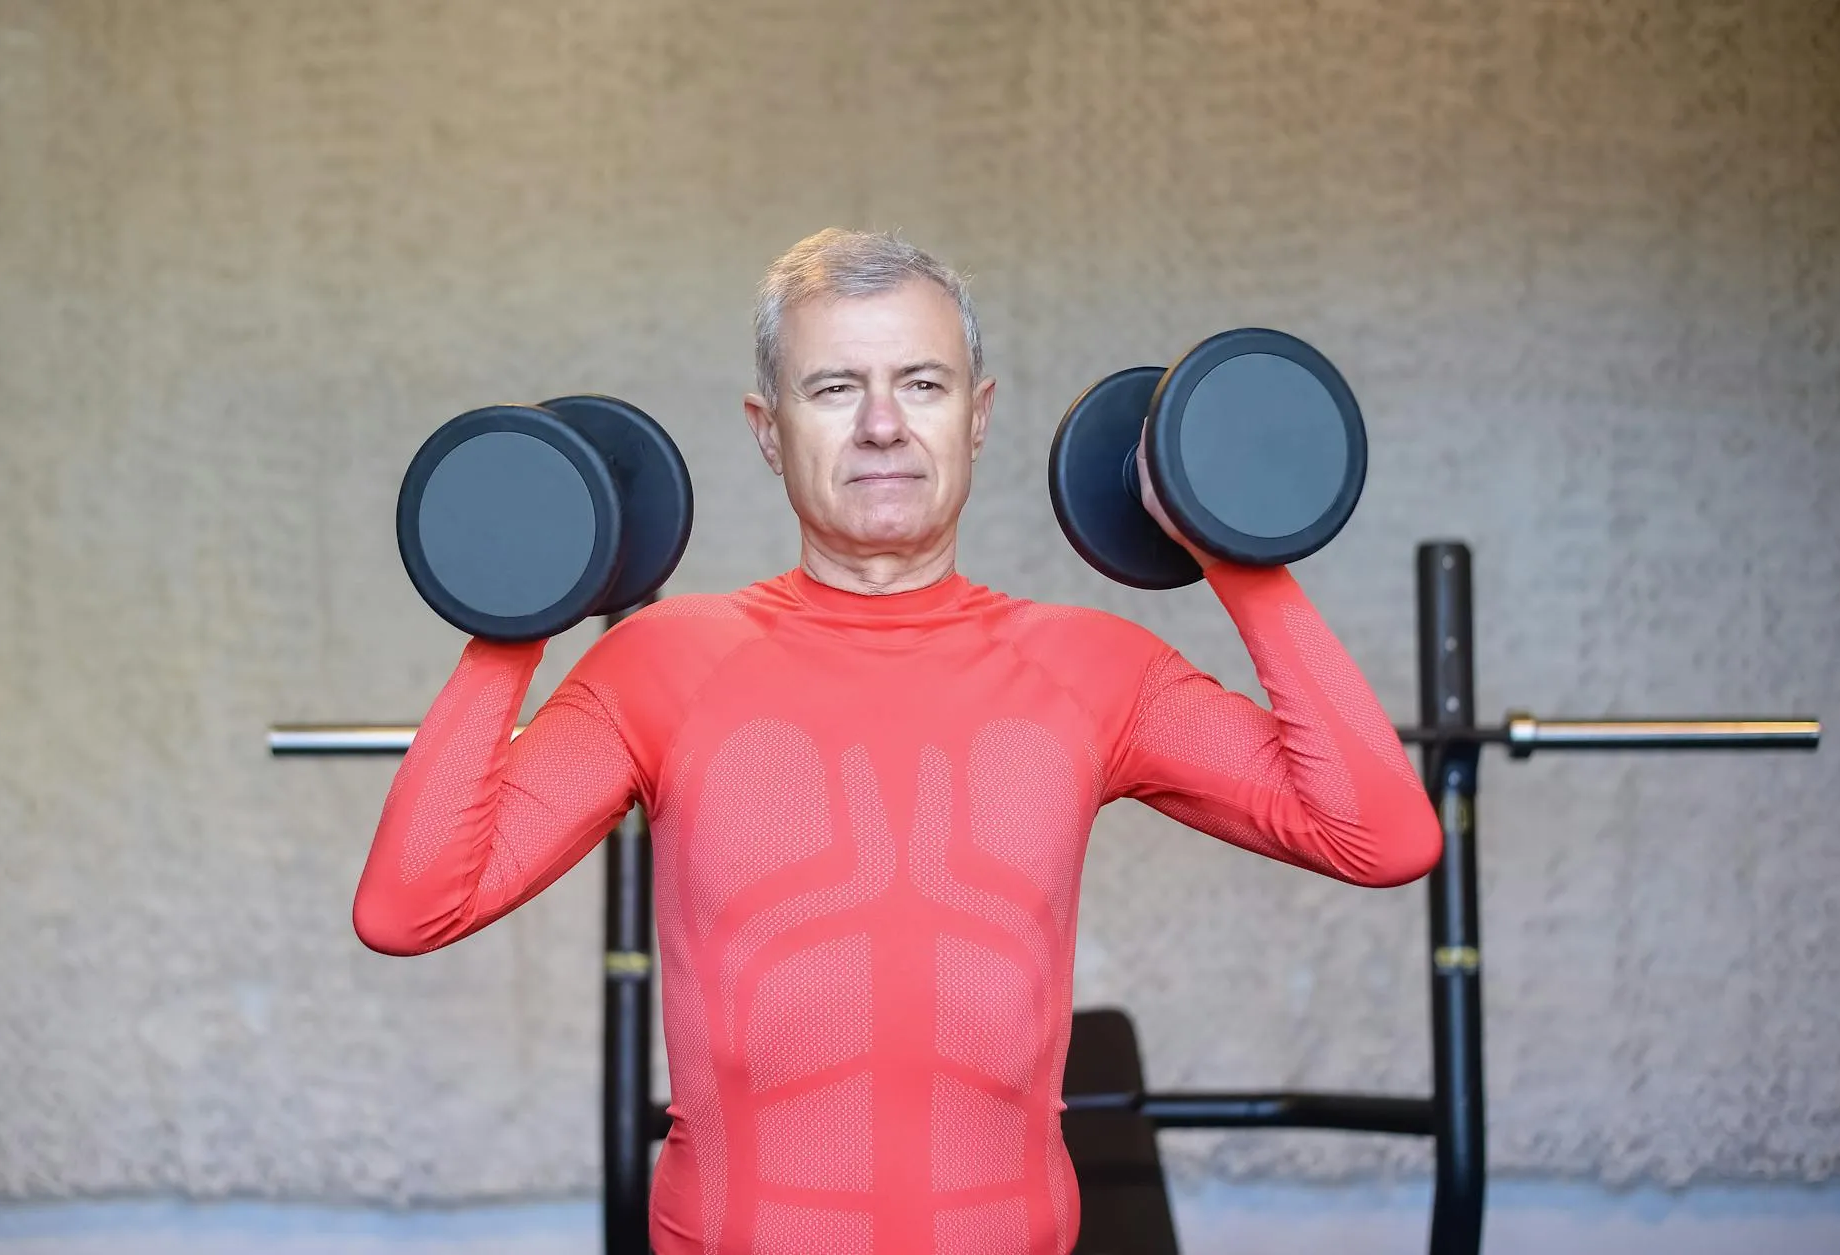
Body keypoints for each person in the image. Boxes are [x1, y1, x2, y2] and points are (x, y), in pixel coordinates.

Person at [352, 228, 1443, 1255]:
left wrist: (1230, 550)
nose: (882, 424)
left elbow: (1380, 835)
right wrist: (520, 607)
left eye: (920, 383)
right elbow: (410, 908)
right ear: (767, 430)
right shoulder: (658, 661)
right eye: (835, 388)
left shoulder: (1095, 667)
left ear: (977, 414)